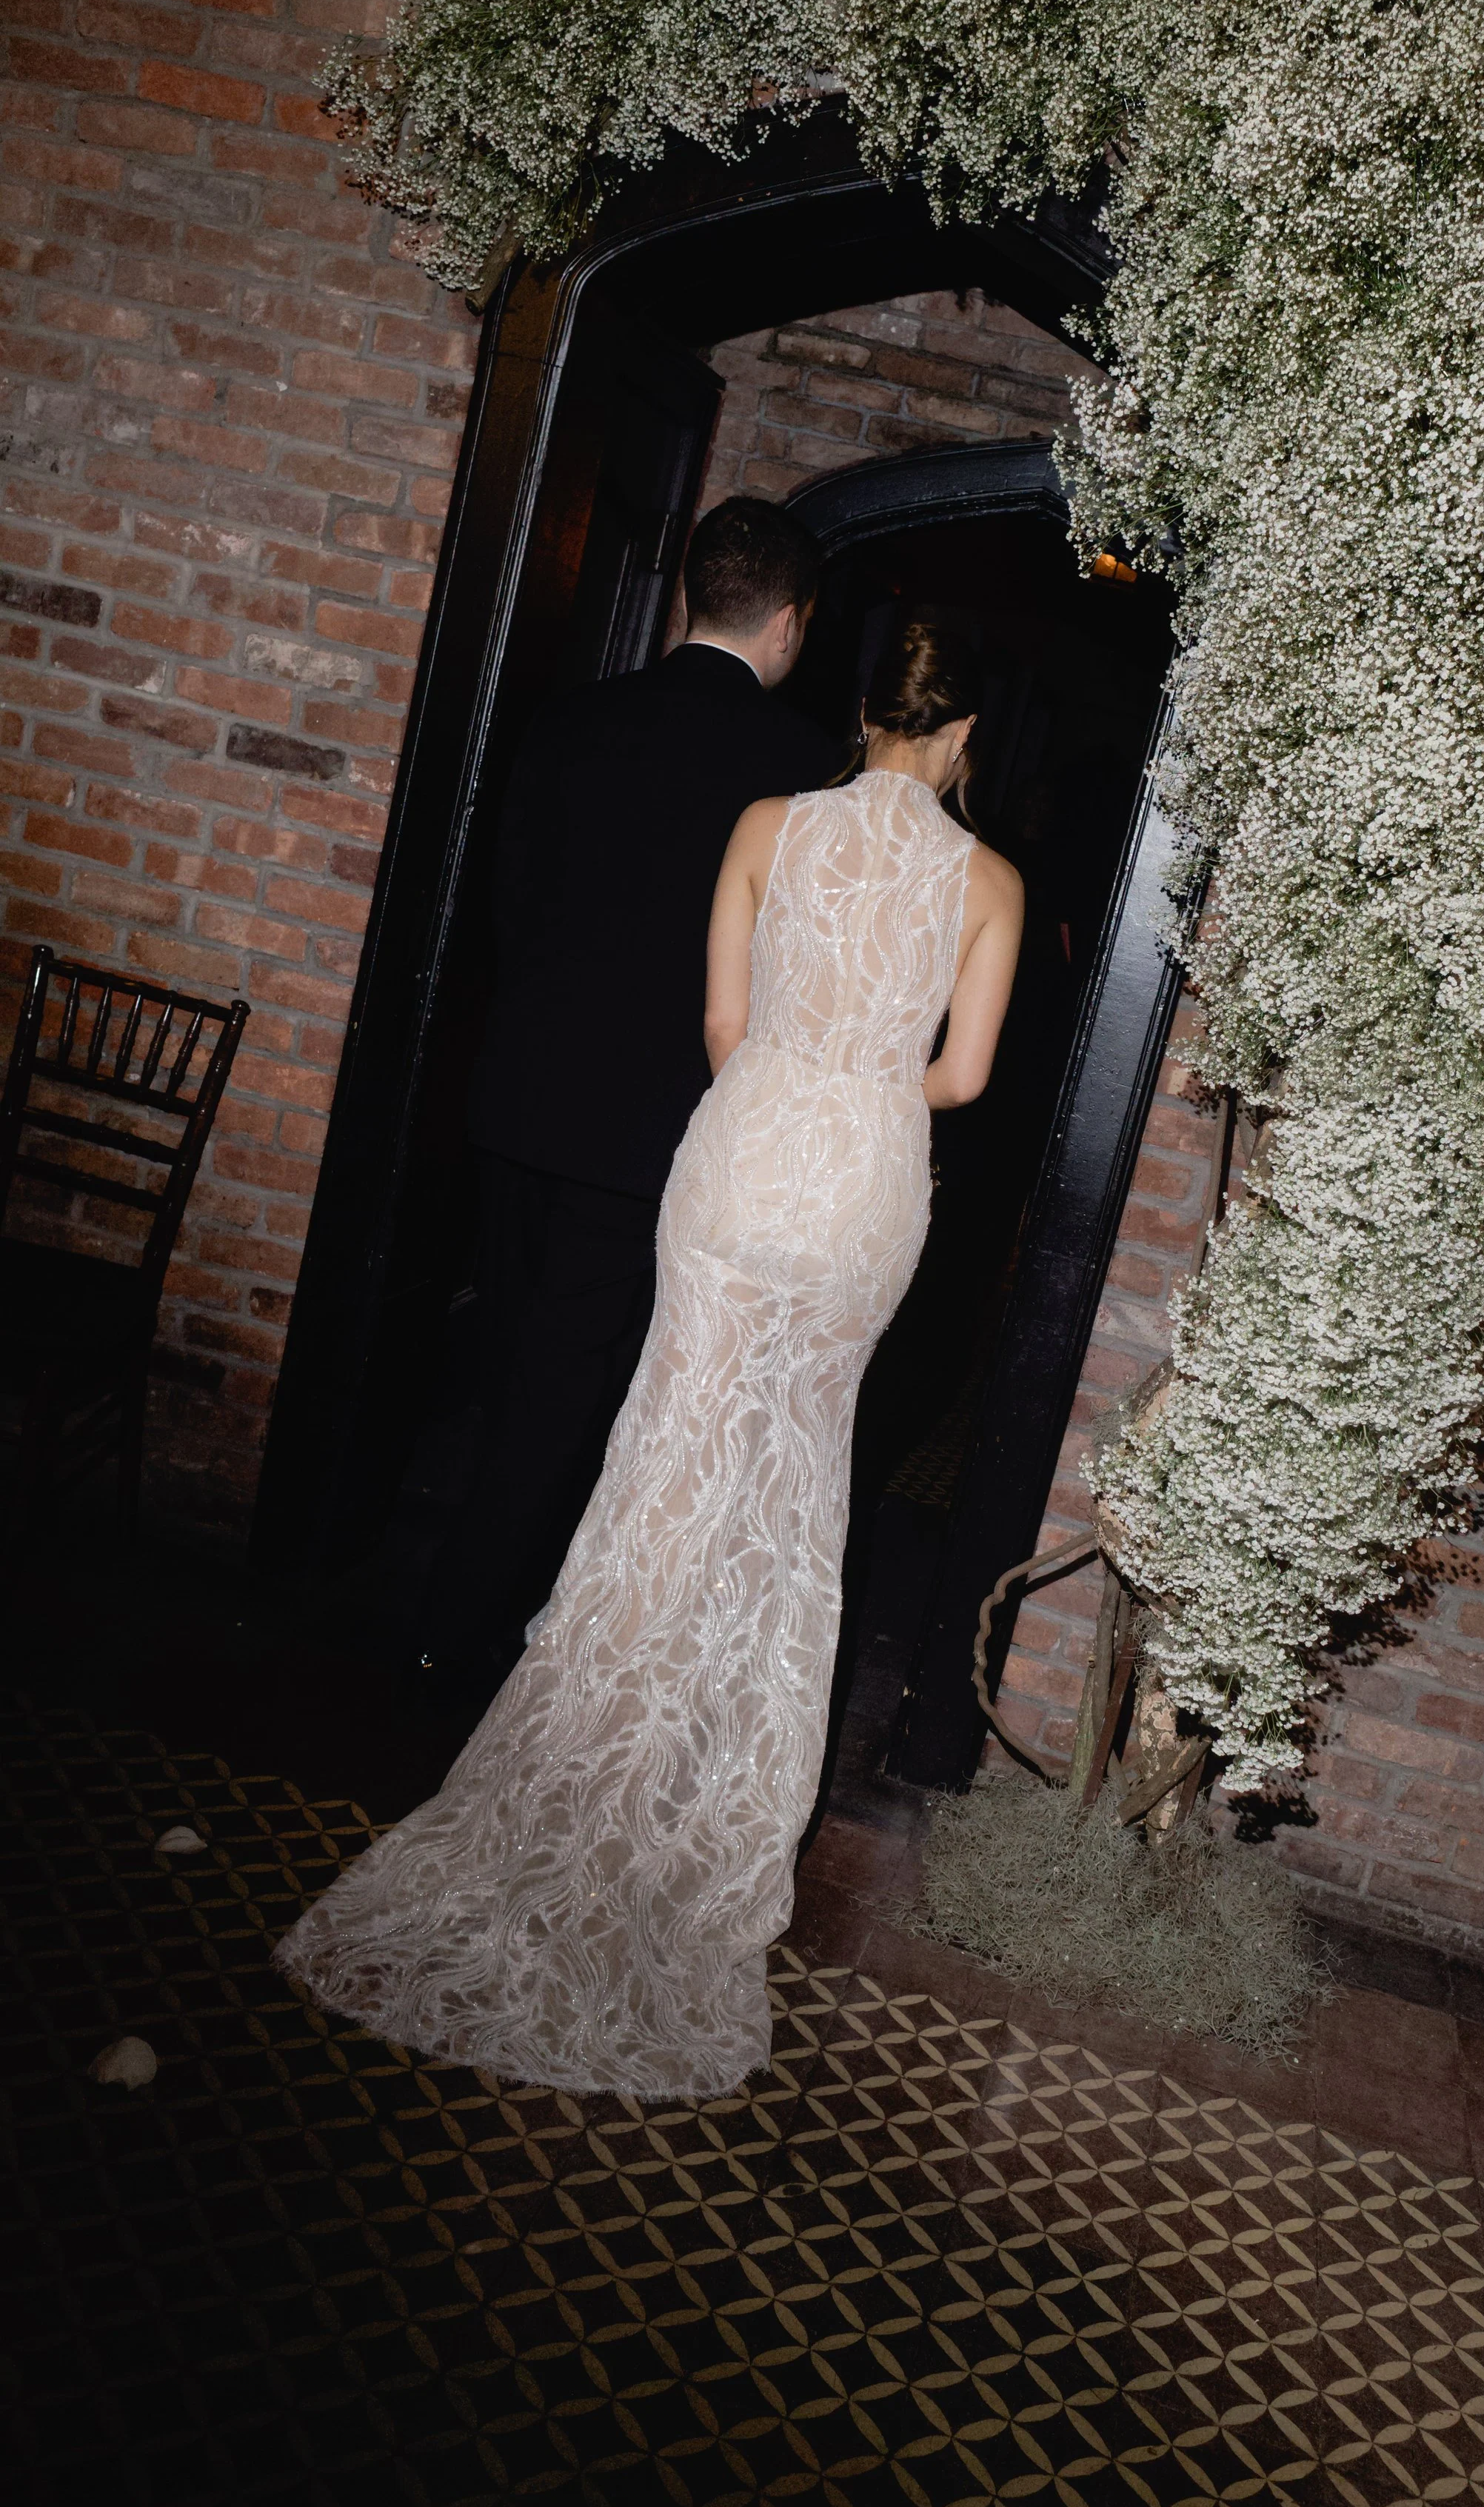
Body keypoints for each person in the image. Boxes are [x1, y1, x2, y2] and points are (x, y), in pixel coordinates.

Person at [278, 621, 1023, 2100]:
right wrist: (866, 1077)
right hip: (863, 1184)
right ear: (962, 734)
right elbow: (963, 1079)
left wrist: (802, 1068)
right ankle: (718, 1796)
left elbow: (722, 1027)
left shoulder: (765, 825)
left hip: (741, 1161)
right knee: (798, 1480)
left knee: (666, 1451)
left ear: (865, 708)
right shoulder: (989, 882)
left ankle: (589, 1745)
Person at [419, 495, 836, 1698]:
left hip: (517, 1101)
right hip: (651, 1133)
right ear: (794, 623)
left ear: (687, 595)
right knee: (566, 1397)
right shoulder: (805, 773)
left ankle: (481, 1603)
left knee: (514, 1371)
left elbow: (507, 907)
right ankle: (455, 1639)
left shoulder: (570, 722)